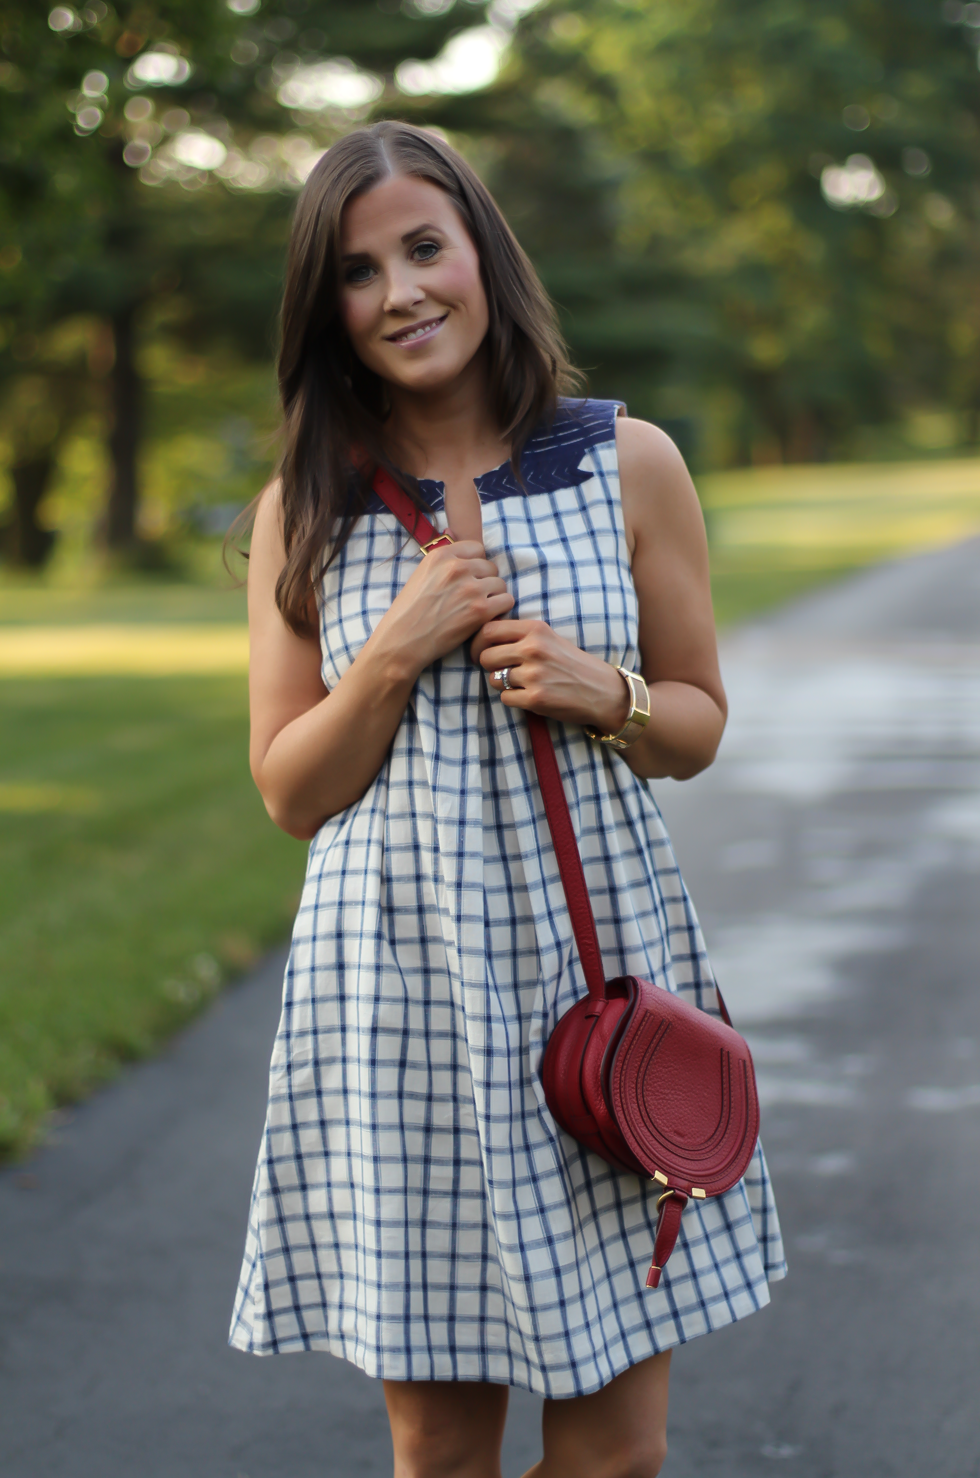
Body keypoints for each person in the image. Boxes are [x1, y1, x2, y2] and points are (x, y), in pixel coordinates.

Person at [230, 120, 785, 1478]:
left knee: (616, 1454)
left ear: (483, 251)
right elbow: (289, 789)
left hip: (592, 987)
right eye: (360, 273)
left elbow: (699, 721)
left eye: (426, 247)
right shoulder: (305, 510)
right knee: (442, 1457)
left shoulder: (629, 464)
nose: (404, 291)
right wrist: (394, 653)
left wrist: (614, 695)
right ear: (329, 310)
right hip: (401, 995)